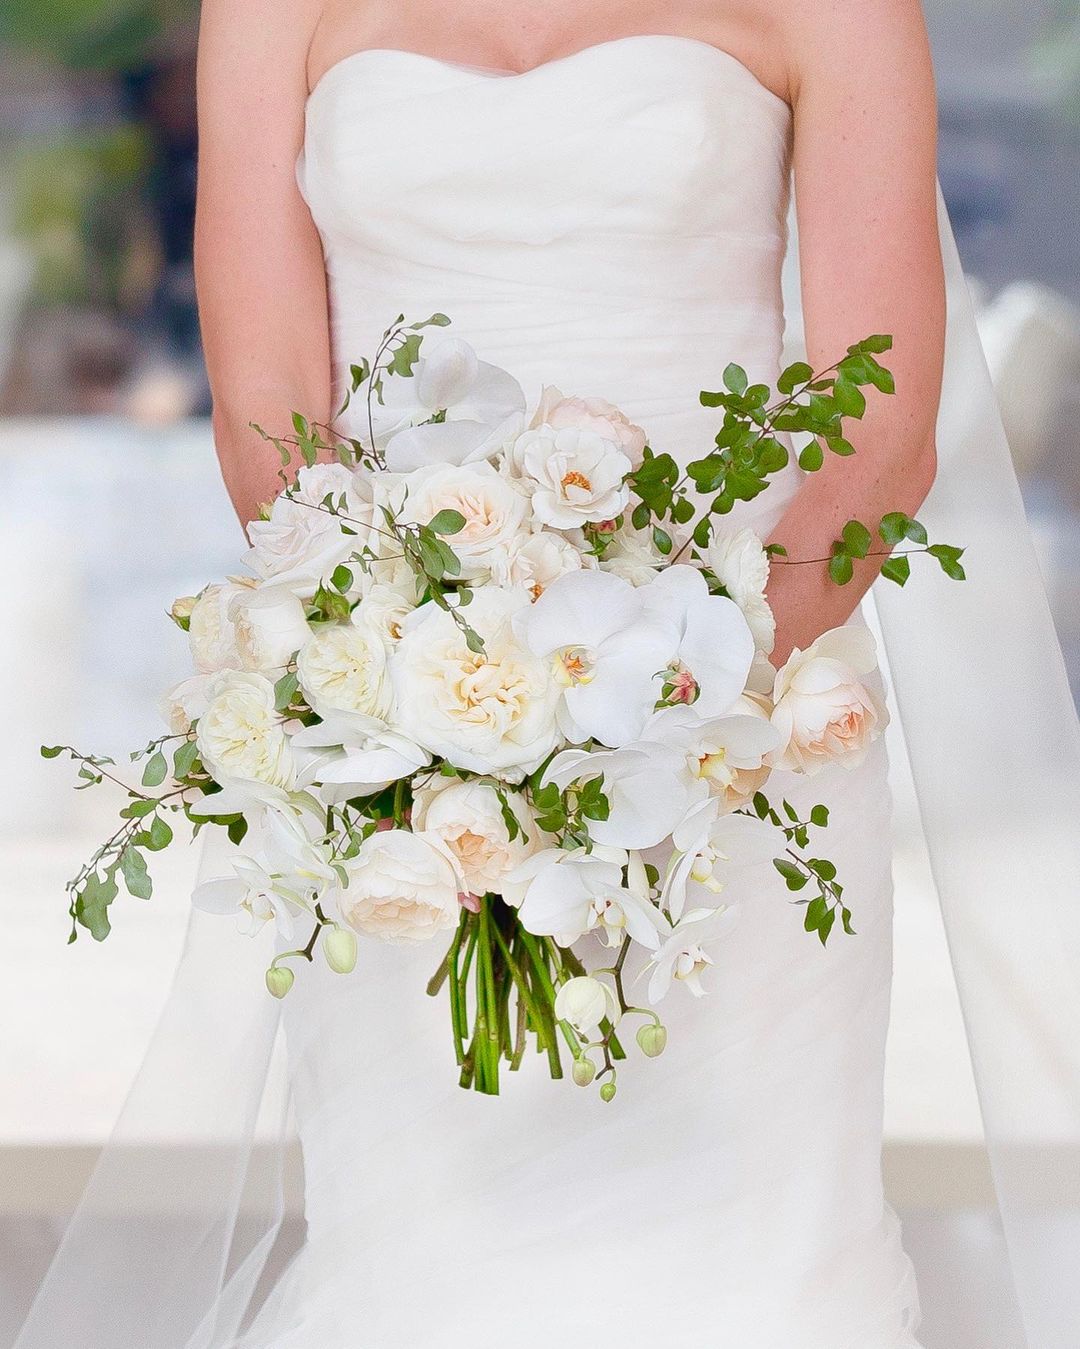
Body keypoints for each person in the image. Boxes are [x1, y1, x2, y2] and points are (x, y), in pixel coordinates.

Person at [13, 4, 1080, 1347]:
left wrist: (666, 712)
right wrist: (419, 696)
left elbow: (878, 444)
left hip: (744, 753)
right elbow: (268, 401)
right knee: (428, 1263)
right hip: (411, 770)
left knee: (757, 1273)